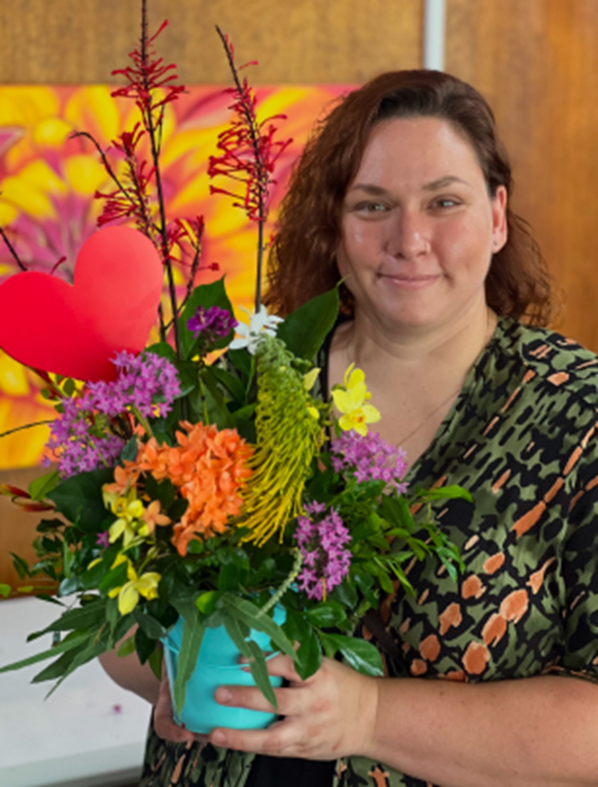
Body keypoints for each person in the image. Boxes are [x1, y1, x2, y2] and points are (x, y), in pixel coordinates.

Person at [100, 70, 598, 786]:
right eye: (373, 205)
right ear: (332, 225)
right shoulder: (247, 386)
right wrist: (171, 671)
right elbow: (117, 627)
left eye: (444, 202)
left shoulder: (580, 415)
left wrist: (368, 716)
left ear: (496, 217)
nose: (409, 238)